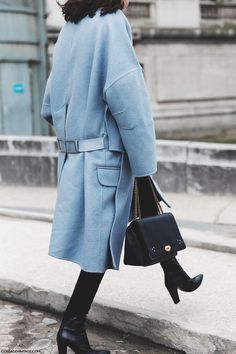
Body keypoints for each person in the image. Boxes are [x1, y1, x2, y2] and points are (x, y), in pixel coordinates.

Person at [41, 1, 203, 353]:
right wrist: (144, 159)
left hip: (79, 154)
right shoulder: (112, 22)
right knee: (99, 245)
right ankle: (72, 326)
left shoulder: (72, 25)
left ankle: (172, 270)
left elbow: (48, 104)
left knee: (144, 203)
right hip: (106, 155)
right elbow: (127, 95)